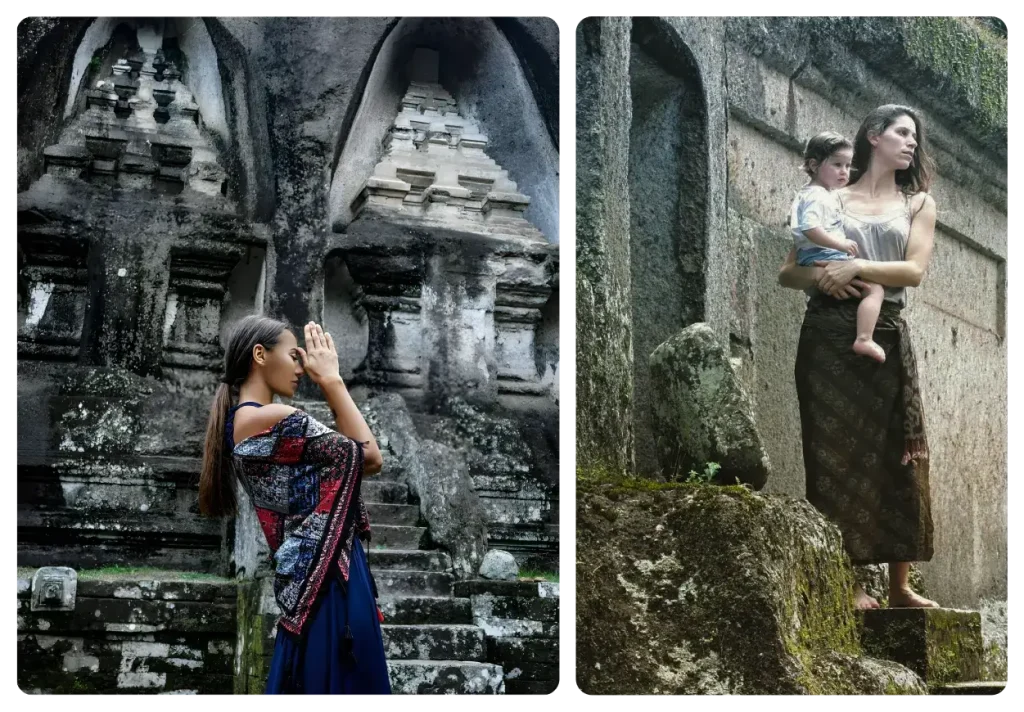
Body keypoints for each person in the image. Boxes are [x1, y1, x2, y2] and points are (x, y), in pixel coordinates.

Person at [778, 105, 940, 611]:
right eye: (902, 132)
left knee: (900, 455)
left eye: (915, 136)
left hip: (885, 331)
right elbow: (790, 273)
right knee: (833, 455)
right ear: (874, 136)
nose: (911, 143)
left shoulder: (917, 204)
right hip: (827, 335)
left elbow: (913, 272)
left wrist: (855, 266)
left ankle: (899, 586)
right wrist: (824, 276)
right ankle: (846, 582)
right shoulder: (830, 198)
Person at [199, 315, 392, 694]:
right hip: (329, 579)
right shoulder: (274, 418)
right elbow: (369, 458)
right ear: (259, 354)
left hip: (308, 577)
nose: (302, 368)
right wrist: (331, 381)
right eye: (293, 356)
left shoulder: (240, 423)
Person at [790, 131, 886, 362]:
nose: (844, 171)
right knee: (875, 289)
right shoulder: (817, 196)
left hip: (814, 256)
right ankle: (864, 338)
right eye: (837, 165)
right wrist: (840, 244)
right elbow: (809, 228)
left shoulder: (817, 194)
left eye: (847, 165)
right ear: (813, 165)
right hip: (822, 254)